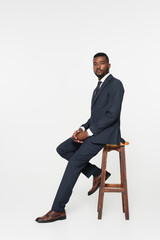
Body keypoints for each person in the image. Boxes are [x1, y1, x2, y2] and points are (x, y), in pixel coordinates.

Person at [35, 52, 125, 223]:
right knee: (63, 148)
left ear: (109, 65)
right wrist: (82, 128)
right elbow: (96, 117)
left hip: (106, 134)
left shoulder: (116, 85)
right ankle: (97, 173)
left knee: (74, 163)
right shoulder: (97, 88)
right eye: (95, 64)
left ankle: (58, 210)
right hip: (96, 131)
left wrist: (89, 133)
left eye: (102, 63)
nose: (98, 67)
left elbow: (112, 115)